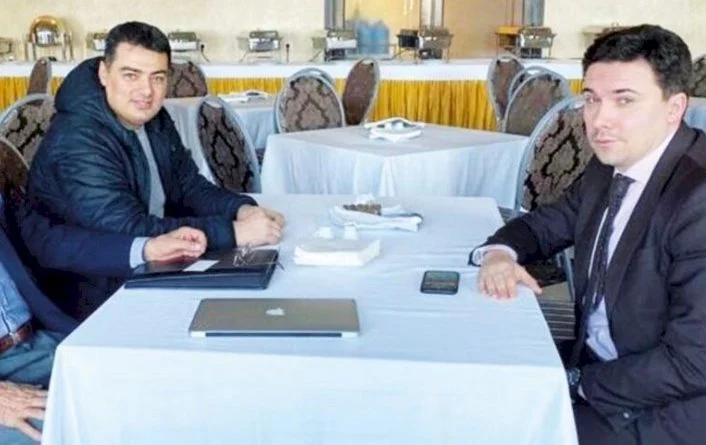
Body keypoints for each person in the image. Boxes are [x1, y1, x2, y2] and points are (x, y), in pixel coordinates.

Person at [472, 25, 706, 444]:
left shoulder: (697, 198)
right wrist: (500, 254)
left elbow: (694, 362)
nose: (599, 120)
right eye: (592, 99)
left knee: (492, 430)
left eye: (624, 100)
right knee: (471, 382)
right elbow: (544, 225)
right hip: (593, 362)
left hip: (662, 410)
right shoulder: (609, 165)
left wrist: (577, 383)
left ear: (674, 108)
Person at [25, 21, 284, 320]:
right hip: (95, 291)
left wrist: (241, 209)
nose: (146, 91)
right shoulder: (78, 138)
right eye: (131, 75)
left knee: (265, 299)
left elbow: (189, 186)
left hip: (153, 263)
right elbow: (127, 229)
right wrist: (232, 233)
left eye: (157, 78)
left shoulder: (153, 118)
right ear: (104, 74)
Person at [0, 194, 206, 444]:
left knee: (165, 387)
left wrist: (147, 248)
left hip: (39, 343)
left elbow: (47, 241)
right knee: (102, 426)